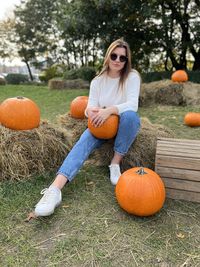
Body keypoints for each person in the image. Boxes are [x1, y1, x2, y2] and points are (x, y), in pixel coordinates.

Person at [34, 39, 141, 217]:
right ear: (108, 56)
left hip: (123, 124)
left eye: (122, 58)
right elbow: (89, 106)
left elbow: (132, 105)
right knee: (81, 144)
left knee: (131, 116)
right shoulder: (98, 81)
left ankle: (115, 163)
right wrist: (90, 112)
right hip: (101, 126)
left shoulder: (132, 77)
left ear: (126, 61)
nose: (117, 60)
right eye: (114, 55)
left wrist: (110, 110)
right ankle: (54, 190)